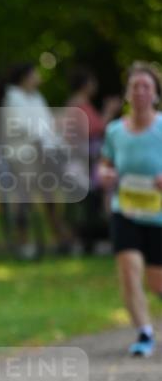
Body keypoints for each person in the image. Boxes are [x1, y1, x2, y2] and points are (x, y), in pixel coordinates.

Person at [98, 62, 162, 357]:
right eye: (135, 86)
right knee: (129, 268)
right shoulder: (115, 131)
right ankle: (144, 332)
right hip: (125, 209)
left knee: (156, 281)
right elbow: (105, 164)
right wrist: (105, 174)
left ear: (155, 94)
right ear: (127, 93)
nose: (140, 92)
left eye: (146, 86)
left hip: (158, 214)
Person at [1, 62, 75, 254]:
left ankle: (58, 234)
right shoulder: (13, 98)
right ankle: (23, 239)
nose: (38, 77)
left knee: (49, 192)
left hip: (42, 151)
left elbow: (48, 125)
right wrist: (43, 133)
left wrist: (58, 141)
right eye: (34, 73)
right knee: (25, 195)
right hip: (21, 154)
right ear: (25, 77)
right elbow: (20, 126)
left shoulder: (36, 97)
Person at [64, 68, 121, 252]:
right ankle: (102, 236)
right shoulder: (78, 105)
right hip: (84, 162)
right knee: (103, 192)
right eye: (92, 81)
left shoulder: (82, 104)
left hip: (90, 160)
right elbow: (92, 130)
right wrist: (109, 111)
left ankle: (108, 234)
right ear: (85, 84)